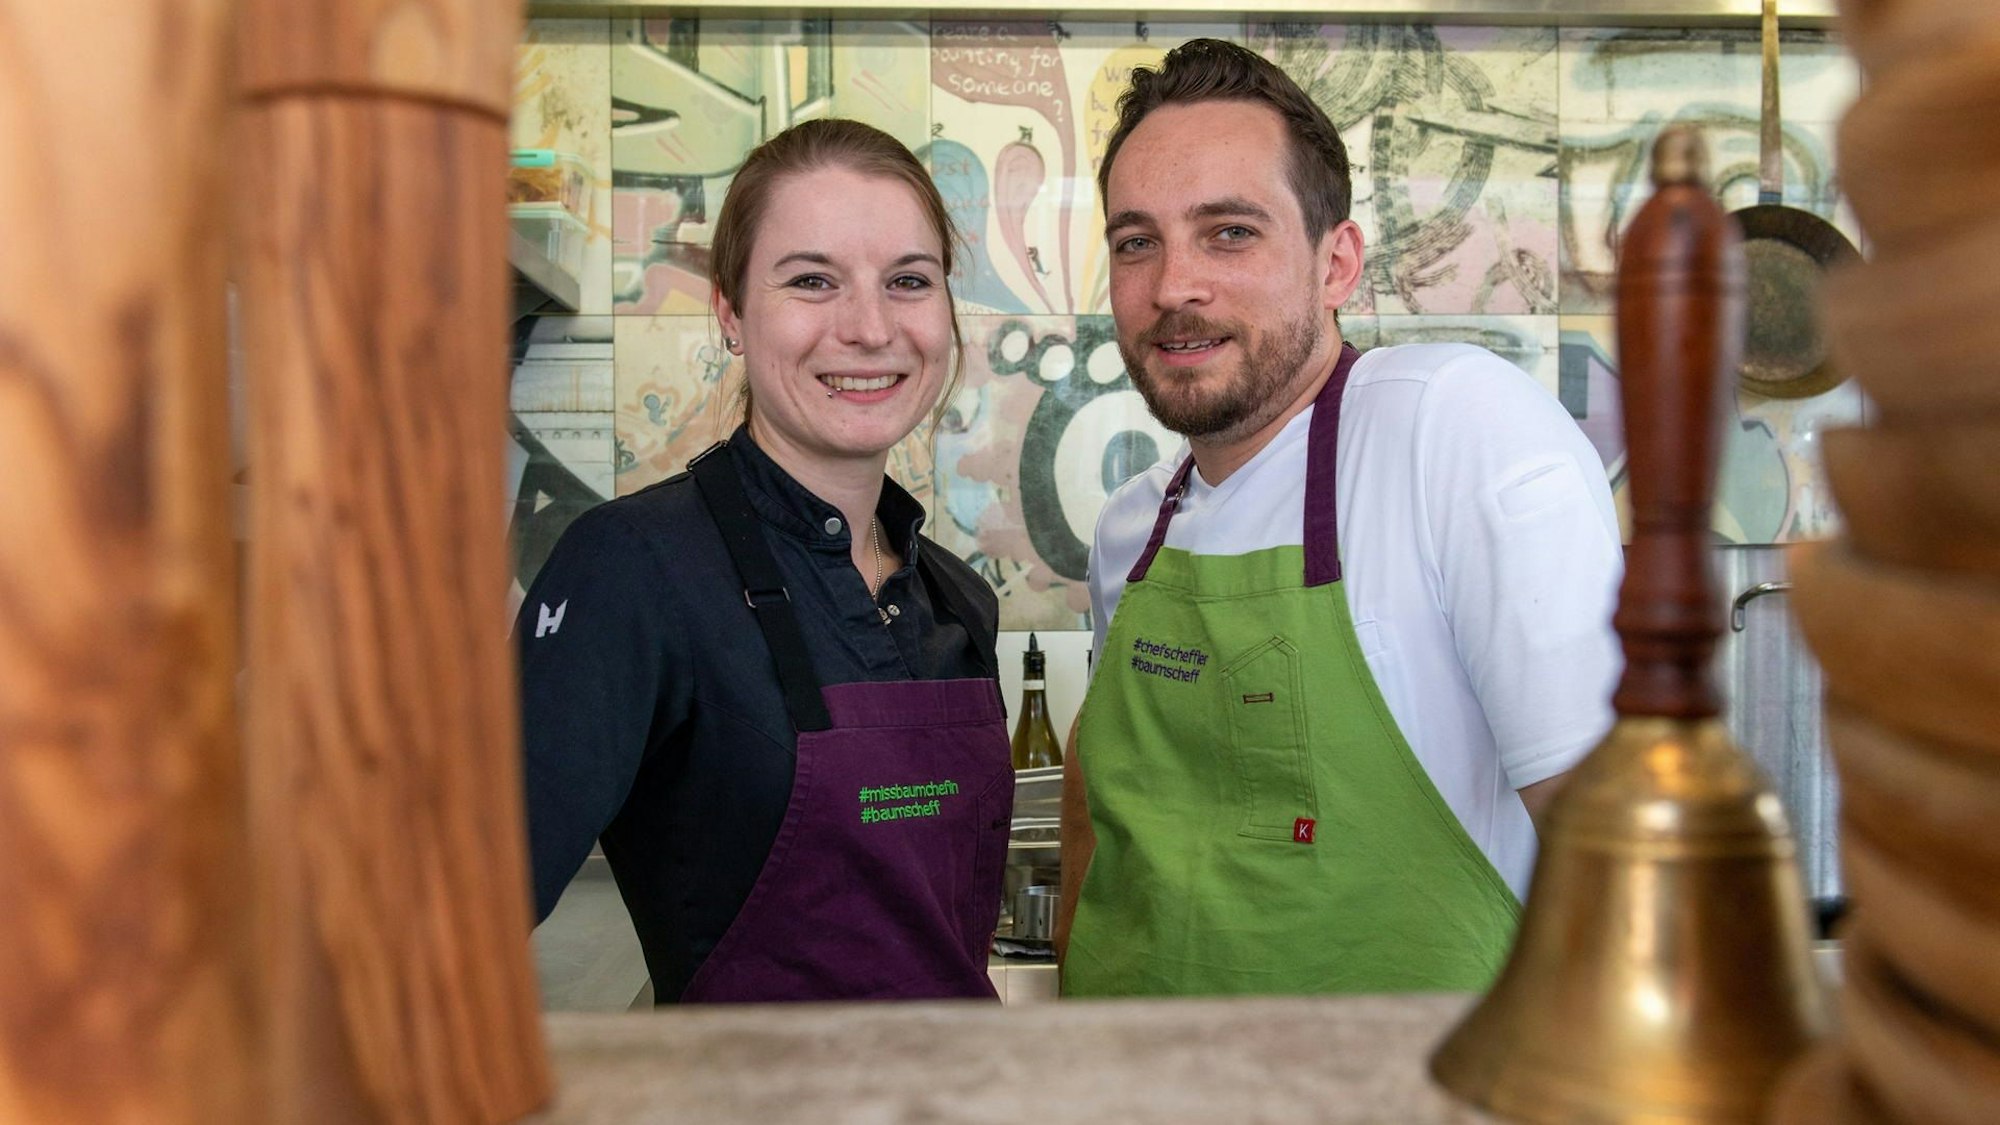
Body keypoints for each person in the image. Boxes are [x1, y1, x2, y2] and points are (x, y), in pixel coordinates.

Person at [1058, 40, 1624, 996]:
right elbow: (1095, 817)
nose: (1173, 287)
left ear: (1337, 263)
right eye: (1135, 240)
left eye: (1230, 231)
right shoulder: (1130, 529)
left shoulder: (1451, 429)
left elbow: (1618, 850)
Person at [515, 119, 1012, 1005]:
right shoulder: (633, 570)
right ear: (731, 312)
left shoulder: (956, 596)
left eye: (908, 281)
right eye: (812, 281)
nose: (869, 328)